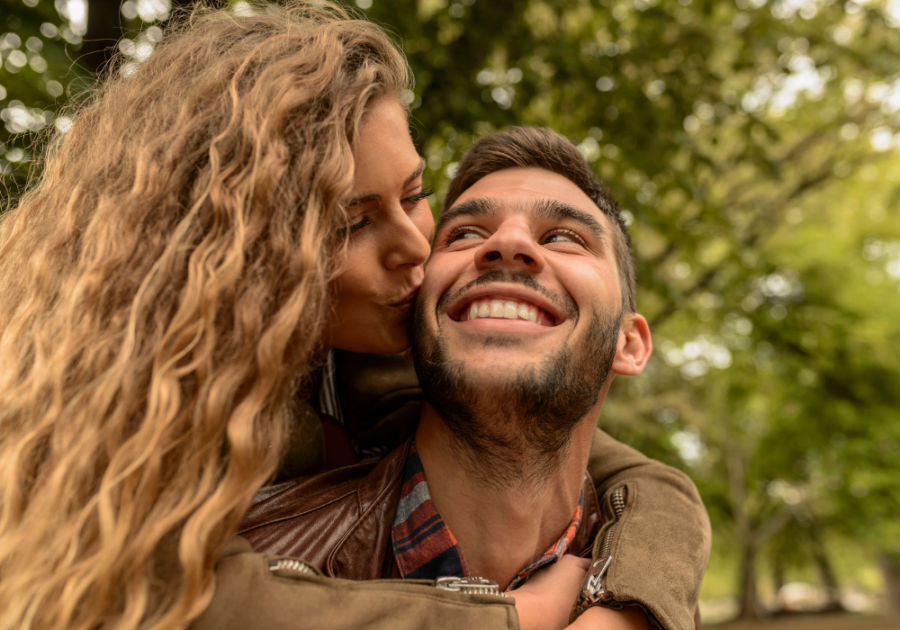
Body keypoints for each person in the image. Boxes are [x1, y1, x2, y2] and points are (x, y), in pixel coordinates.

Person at [0, 3, 707, 630]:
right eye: (351, 222)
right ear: (236, 257)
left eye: (416, 192)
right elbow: (163, 598)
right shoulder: (115, 387)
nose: (414, 246)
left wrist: (626, 606)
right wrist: (517, 616)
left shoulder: (376, 355)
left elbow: (646, 482)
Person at [240, 127, 712, 630]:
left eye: (563, 237)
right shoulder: (241, 562)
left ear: (630, 343)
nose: (507, 242)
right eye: (464, 234)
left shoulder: (647, 592)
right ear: (411, 315)